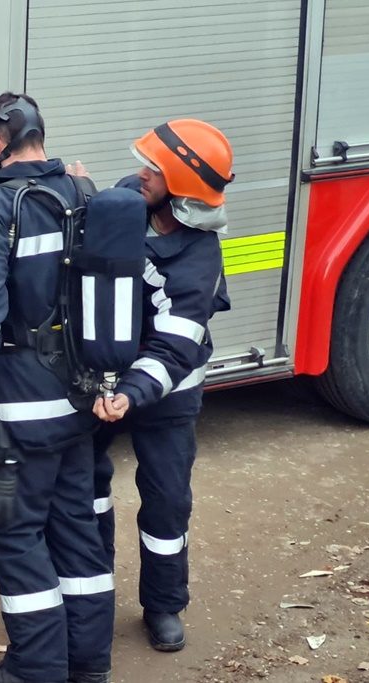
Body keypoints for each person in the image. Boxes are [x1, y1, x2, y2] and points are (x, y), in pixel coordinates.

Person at [0, 92, 114, 683]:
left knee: (12, 531)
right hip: (81, 397)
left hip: (22, 401)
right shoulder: (82, 193)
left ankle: (36, 669)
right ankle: (89, 662)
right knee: (76, 527)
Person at [91, 119, 234, 653]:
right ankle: (92, 595)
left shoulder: (200, 259)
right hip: (105, 382)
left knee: (167, 501)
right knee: (86, 488)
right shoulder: (128, 200)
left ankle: (164, 605)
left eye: (154, 168)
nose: (141, 174)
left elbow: (174, 350)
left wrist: (129, 393)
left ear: (181, 187)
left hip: (166, 394)